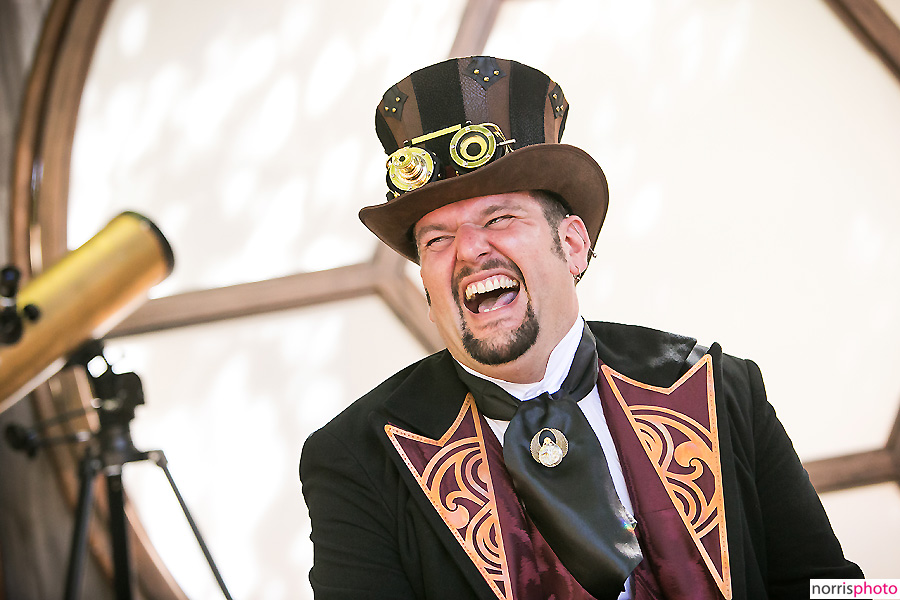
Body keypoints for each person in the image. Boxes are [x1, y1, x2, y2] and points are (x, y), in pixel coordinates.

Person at [299, 56, 862, 599]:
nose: (469, 251)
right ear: (428, 285)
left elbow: (833, 587)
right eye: (437, 240)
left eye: (498, 219)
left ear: (571, 245)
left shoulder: (719, 386)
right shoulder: (357, 457)